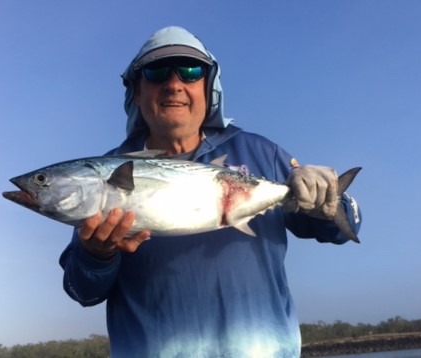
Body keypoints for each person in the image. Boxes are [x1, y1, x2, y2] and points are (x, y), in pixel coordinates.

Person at [60, 26, 361, 357]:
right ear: (136, 91)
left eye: (191, 72)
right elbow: (82, 291)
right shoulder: (105, 174)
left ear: (209, 87)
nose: (174, 84)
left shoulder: (260, 152)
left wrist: (330, 202)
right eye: (156, 72)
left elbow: (338, 231)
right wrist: (96, 255)